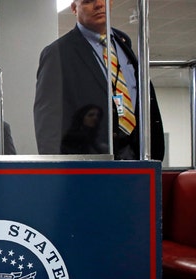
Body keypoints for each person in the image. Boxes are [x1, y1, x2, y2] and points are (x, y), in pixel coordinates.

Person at [33, 0, 164, 160]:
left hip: (137, 159)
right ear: (74, 8)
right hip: (89, 165)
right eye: (88, 1)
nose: (99, 5)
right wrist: (55, 171)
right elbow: (48, 121)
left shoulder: (123, 44)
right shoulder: (58, 53)